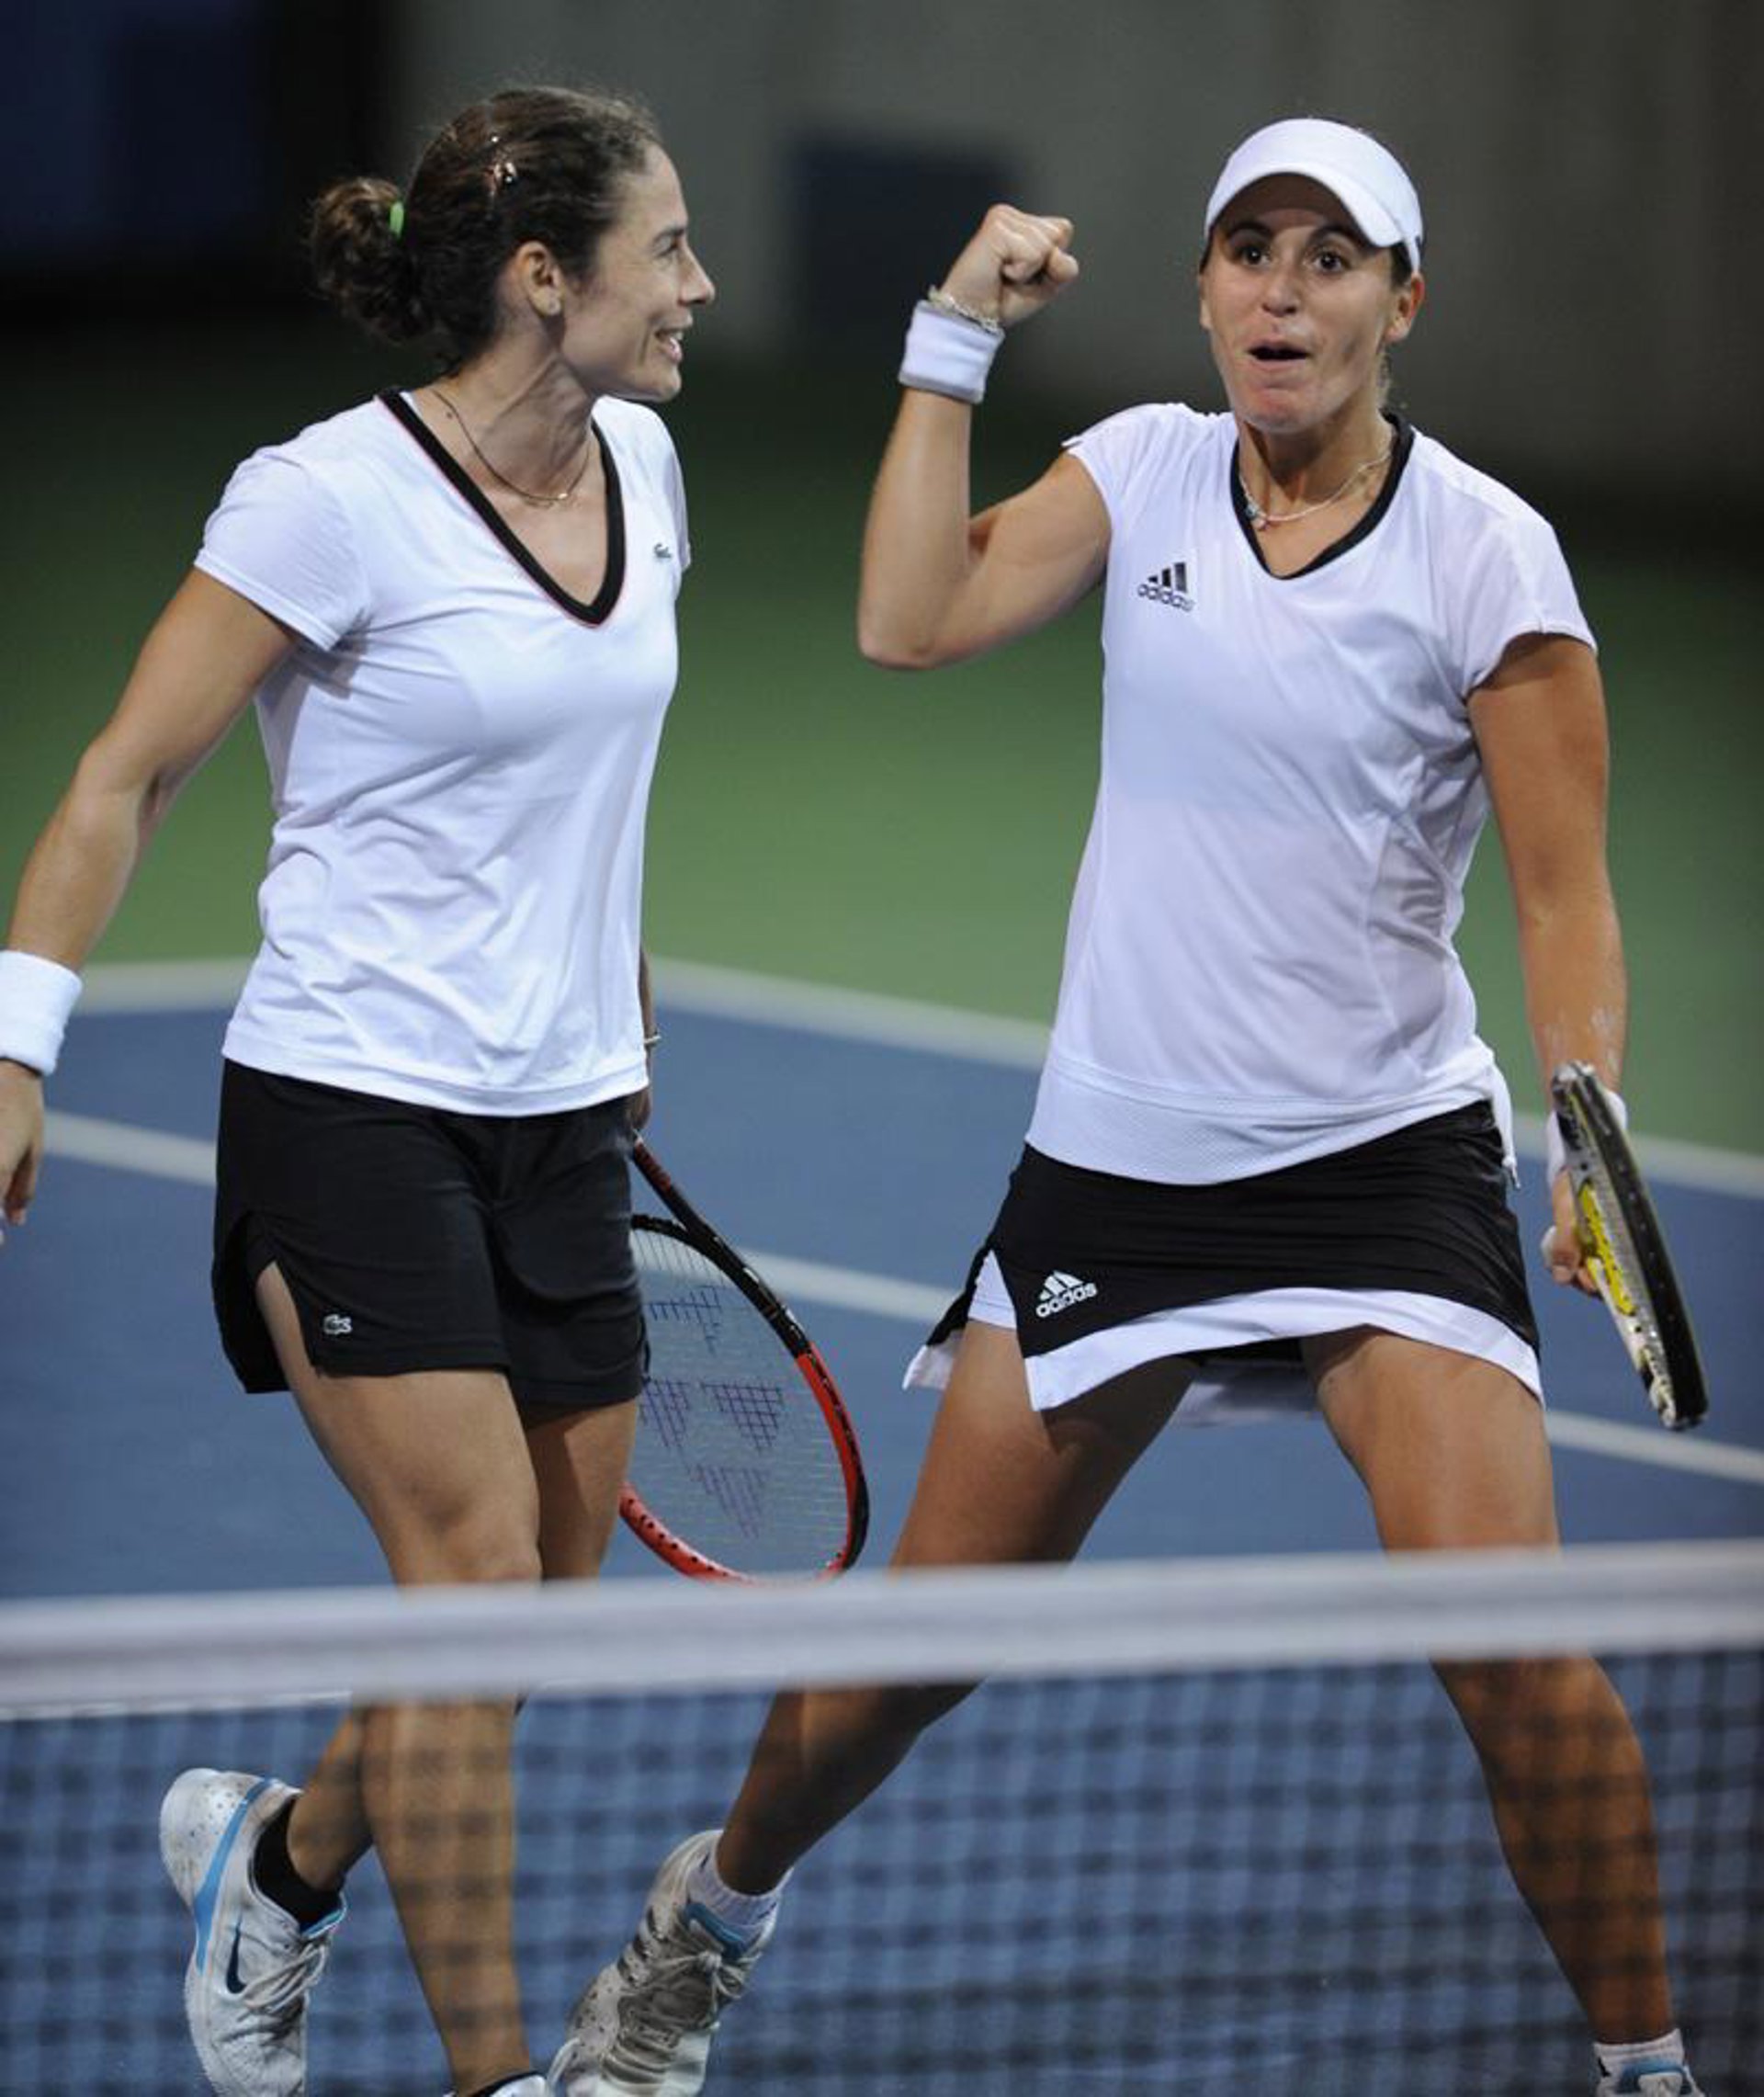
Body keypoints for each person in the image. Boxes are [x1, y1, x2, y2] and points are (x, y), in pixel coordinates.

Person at [548, 119, 1702, 2097]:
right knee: (915, 1650)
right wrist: (950, 340)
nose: (1284, 292)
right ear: (1203, 287)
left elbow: (1560, 889)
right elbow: (910, 615)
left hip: (1382, 1167)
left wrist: (1584, 1120)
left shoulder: (1487, 551)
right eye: (1251, 251)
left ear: (1403, 300)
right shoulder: (1149, 469)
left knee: (1515, 1647)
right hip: (1124, 1167)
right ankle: (707, 1922)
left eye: (1331, 259)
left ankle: (1649, 2066)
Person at [0, 84, 714, 2097]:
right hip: (349, 1104)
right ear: (542, 276)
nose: (699, 286)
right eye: (666, 249)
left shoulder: (651, 467)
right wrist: (16, 1043)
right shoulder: (324, 496)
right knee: (472, 1577)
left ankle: (281, 1864)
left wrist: (615, 1004)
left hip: (561, 1115)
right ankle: (505, 2078)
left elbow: (592, 775)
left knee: (524, 1615)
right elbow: (125, 772)